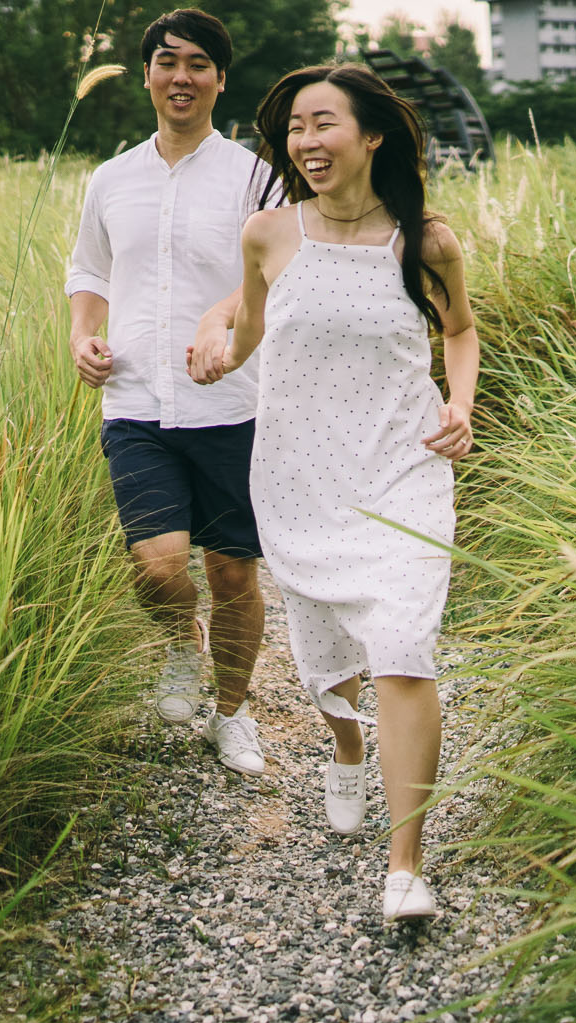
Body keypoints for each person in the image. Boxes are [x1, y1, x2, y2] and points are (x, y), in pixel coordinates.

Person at [192, 64, 478, 920]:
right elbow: (249, 331)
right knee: (326, 653)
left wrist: (461, 405)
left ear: (372, 135)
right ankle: (347, 747)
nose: (306, 142)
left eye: (324, 123)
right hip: (301, 475)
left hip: (402, 471)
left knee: (401, 643)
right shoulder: (269, 235)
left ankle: (406, 867)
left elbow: (460, 330)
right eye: (296, 128)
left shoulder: (425, 242)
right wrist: (217, 350)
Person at [65, 9, 272, 775]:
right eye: (166, 61)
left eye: (198, 64)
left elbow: (277, 274)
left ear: (220, 79)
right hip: (135, 404)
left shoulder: (255, 177)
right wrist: (82, 333)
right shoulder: (111, 178)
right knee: (156, 566)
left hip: (231, 406)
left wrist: (228, 326)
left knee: (232, 573)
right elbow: (88, 268)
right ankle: (182, 646)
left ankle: (234, 712)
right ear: (147, 74)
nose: (181, 76)